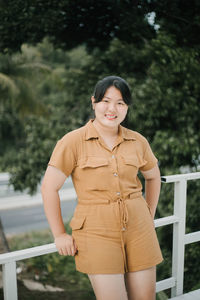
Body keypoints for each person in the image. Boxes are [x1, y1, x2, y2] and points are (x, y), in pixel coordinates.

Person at [41, 76, 163, 300]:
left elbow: (153, 177)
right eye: (106, 101)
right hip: (96, 231)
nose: (112, 109)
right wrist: (59, 234)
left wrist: (149, 212)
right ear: (94, 102)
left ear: (126, 108)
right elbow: (49, 188)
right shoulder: (72, 141)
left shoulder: (138, 141)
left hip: (140, 229)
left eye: (120, 103)